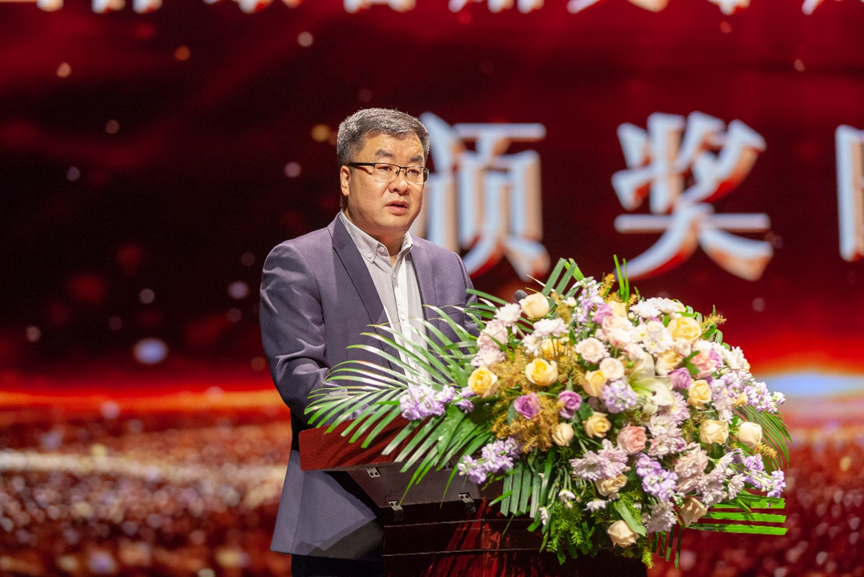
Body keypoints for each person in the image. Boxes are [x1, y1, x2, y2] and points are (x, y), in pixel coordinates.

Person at [259, 108, 476, 575]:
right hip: (346, 525)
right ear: (345, 178)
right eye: (383, 167)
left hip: (446, 519)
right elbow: (301, 378)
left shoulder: (448, 267)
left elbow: (475, 368)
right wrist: (407, 420)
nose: (401, 184)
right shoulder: (299, 262)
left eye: (414, 170)